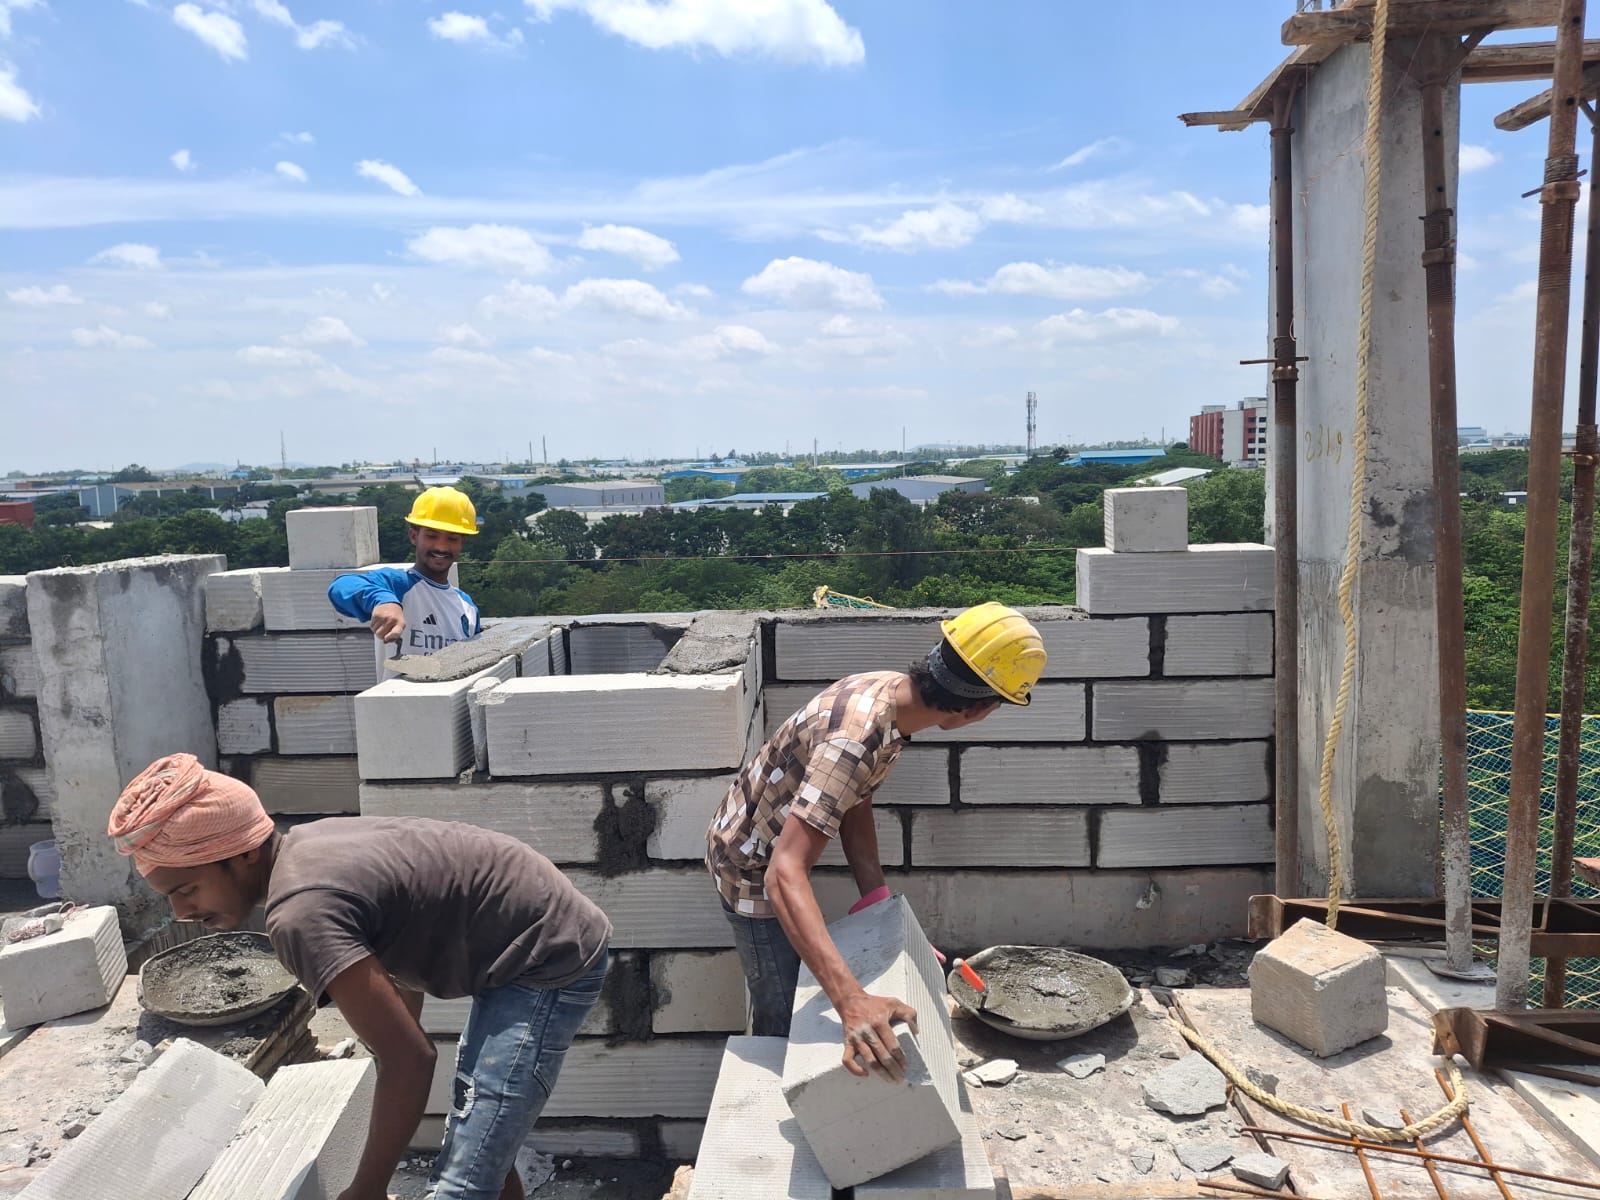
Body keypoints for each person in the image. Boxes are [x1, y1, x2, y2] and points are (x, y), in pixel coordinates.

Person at [108, 753, 611, 1200]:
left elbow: (411, 1058)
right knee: (478, 1136)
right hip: (523, 926)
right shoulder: (306, 846)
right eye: (169, 895)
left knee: (462, 1179)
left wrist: (367, 1187)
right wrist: (395, 1049)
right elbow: (405, 929)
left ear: (241, 854)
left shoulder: (299, 914)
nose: (180, 911)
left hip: (545, 955)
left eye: (188, 888)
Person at [705, 601, 1046, 1079]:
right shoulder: (855, 739)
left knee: (809, 983)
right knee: (785, 1012)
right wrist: (852, 1002)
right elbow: (784, 875)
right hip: (750, 868)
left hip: (770, 846)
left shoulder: (890, 697)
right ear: (977, 708)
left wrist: (878, 902)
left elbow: (853, 799)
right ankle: (775, 1114)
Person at [329, 485, 482, 676]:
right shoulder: (398, 585)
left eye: (452, 538)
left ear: (462, 543)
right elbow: (340, 587)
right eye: (432, 536)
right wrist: (384, 601)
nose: (441, 546)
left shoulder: (468, 608)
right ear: (414, 536)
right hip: (397, 704)